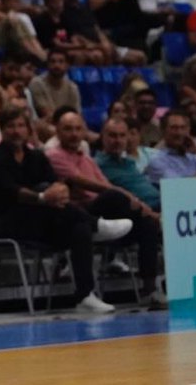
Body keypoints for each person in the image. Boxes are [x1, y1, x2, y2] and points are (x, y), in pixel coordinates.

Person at [0, 106, 123, 313]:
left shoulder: (36, 156)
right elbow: (12, 192)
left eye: (20, 126)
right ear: (2, 130)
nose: (16, 131)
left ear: (28, 129)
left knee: (79, 228)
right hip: (5, 222)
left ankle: (85, 296)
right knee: (45, 192)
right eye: (10, 126)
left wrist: (59, 190)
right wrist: (43, 197)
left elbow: (56, 183)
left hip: (39, 220)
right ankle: (96, 224)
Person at [43, 111, 163, 306]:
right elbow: (86, 183)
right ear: (57, 131)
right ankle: (97, 227)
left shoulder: (87, 159)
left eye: (77, 129)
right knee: (113, 196)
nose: (74, 134)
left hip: (107, 213)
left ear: (84, 131)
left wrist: (143, 210)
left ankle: (149, 289)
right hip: (78, 216)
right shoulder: (54, 155)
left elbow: (106, 183)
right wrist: (130, 197)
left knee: (147, 225)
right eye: (68, 129)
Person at [143, 108, 196, 183]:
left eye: (183, 128)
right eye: (174, 128)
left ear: (189, 129)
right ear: (163, 130)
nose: (179, 133)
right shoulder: (157, 160)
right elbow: (179, 187)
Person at [95, 117, 161, 211]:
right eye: (113, 136)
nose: (118, 141)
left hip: (162, 202)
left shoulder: (129, 161)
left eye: (122, 136)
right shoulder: (97, 164)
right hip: (142, 210)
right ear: (103, 136)